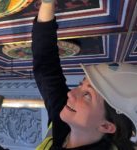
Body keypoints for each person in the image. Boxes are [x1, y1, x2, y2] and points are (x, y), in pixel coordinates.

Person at [32, 0, 137, 150]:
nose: (71, 94)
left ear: (106, 126)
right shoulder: (67, 121)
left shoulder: (70, 116)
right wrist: (48, 3)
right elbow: (46, 68)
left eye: (88, 95)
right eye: (81, 85)